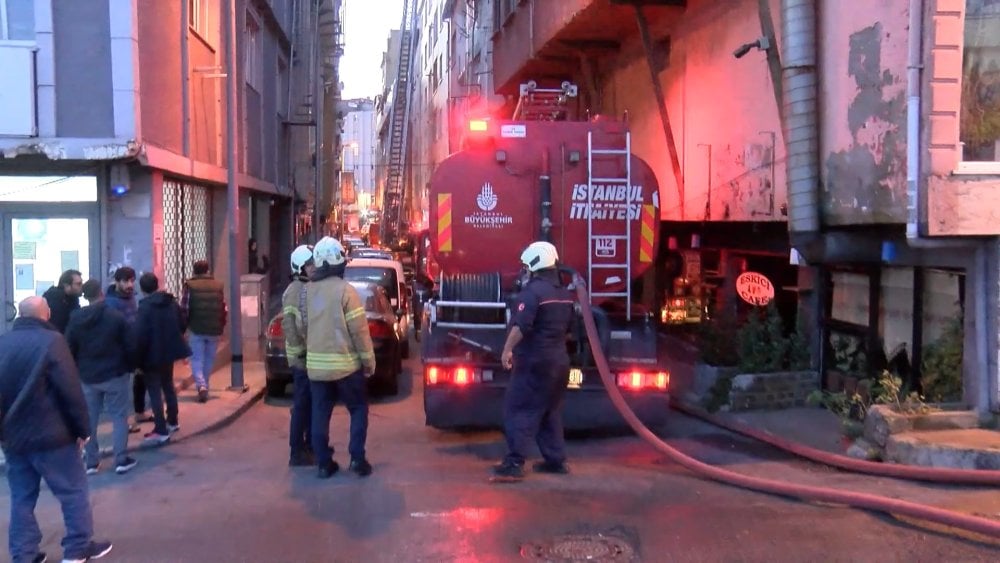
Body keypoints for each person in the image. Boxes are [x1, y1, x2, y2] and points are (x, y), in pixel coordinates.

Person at [0, 296, 113, 563]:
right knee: (73, 492)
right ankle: (77, 548)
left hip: (15, 439)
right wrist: (82, 430)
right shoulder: (53, 342)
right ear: (46, 314)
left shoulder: (2, 344)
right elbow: (70, 391)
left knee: (22, 499)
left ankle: (24, 554)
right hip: (53, 436)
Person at [492, 241, 575, 482]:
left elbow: (521, 325)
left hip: (535, 363)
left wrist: (507, 350)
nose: (524, 272)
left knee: (518, 409)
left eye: (527, 267)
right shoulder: (564, 294)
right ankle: (556, 460)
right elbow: (570, 330)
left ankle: (514, 463)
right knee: (549, 412)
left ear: (536, 265)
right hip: (559, 363)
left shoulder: (532, 293)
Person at [305, 237, 376, 479]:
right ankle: (357, 459)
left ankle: (323, 463)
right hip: (347, 367)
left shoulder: (308, 292)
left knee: (320, 413)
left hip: (316, 368)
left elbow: (304, 328)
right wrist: (368, 361)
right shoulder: (347, 291)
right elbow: (359, 331)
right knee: (358, 409)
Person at [65, 280, 139, 476]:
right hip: (115, 373)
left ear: (85, 296)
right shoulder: (115, 317)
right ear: (102, 294)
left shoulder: (76, 318)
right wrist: (131, 367)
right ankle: (121, 459)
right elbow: (129, 344)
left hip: (87, 375)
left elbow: (69, 346)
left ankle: (91, 462)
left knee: (90, 419)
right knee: (119, 417)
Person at [135, 273, 191, 445]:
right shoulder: (171, 302)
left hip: (151, 355)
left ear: (142, 289)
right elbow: (182, 324)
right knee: (168, 385)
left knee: (154, 392)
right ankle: (173, 421)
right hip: (169, 352)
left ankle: (160, 429)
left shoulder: (144, 308)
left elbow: (140, 335)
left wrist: (137, 360)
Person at [282, 245, 315, 466]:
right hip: (301, 359)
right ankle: (297, 451)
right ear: (300, 267)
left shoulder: (306, 287)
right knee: (302, 404)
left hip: (309, 356)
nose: (313, 268)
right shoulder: (295, 290)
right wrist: (301, 350)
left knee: (310, 403)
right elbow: (290, 326)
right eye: (310, 265)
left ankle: (310, 445)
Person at [104, 266, 149, 432]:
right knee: (125, 389)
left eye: (132, 280)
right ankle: (126, 421)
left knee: (138, 383)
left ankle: (138, 413)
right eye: (126, 281)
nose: (130, 284)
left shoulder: (131, 297)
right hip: (122, 351)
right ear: (117, 282)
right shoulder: (111, 302)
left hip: (134, 347)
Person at [180, 260, 227, 403]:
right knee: (209, 359)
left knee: (196, 359)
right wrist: (221, 325)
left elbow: (185, 309)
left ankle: (201, 386)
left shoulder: (190, 286)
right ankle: (204, 385)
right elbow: (223, 307)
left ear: (194, 271)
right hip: (214, 329)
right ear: (208, 270)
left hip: (196, 328)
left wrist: (183, 328)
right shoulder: (218, 285)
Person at [42, 269, 83, 333]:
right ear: (67, 286)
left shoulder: (72, 298)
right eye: (78, 284)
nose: (82, 286)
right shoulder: (55, 301)